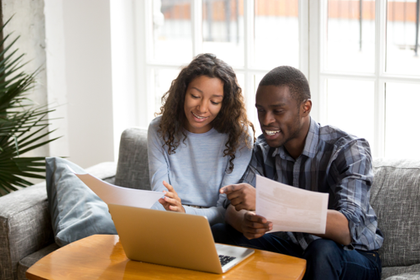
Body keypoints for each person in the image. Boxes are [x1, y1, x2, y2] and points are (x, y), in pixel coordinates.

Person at [211, 66, 384, 280]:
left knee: (322, 251)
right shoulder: (263, 149)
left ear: (305, 107)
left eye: (278, 111)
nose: (266, 120)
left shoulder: (348, 149)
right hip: (293, 248)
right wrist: (245, 220)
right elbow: (231, 209)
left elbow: (347, 229)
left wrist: (268, 202)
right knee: (221, 232)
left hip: (351, 255)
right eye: (261, 110)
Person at [147, 53, 255, 226]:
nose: (202, 108)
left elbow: (224, 210)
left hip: (212, 225)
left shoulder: (240, 136)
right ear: (182, 93)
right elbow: (159, 197)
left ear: (225, 103)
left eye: (214, 101)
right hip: (167, 219)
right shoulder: (159, 129)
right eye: (195, 96)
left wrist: (183, 212)